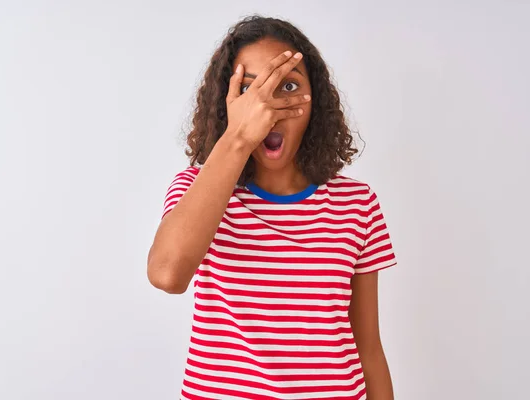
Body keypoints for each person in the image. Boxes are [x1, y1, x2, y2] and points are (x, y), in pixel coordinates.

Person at [147, 15, 397, 400]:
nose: (267, 107)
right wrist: (239, 137)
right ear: (227, 105)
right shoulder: (197, 189)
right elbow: (167, 275)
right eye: (249, 91)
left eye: (289, 86)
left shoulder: (357, 204)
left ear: (317, 103)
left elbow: (369, 350)